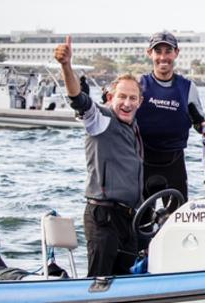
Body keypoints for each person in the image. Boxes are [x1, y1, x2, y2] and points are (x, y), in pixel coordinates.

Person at [54, 36, 144, 277]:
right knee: (100, 282)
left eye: (132, 98)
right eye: (121, 97)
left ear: (140, 102)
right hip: (103, 217)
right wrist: (66, 66)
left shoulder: (134, 127)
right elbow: (78, 100)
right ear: (110, 98)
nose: (127, 102)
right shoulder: (100, 120)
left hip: (129, 220)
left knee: (127, 284)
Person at [136, 31, 205, 205]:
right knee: (142, 224)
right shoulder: (139, 84)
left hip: (174, 165)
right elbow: (117, 110)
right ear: (150, 53)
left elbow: (199, 123)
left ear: (176, 53)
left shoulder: (187, 87)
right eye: (158, 51)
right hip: (142, 163)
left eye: (168, 51)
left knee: (177, 221)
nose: (163, 57)